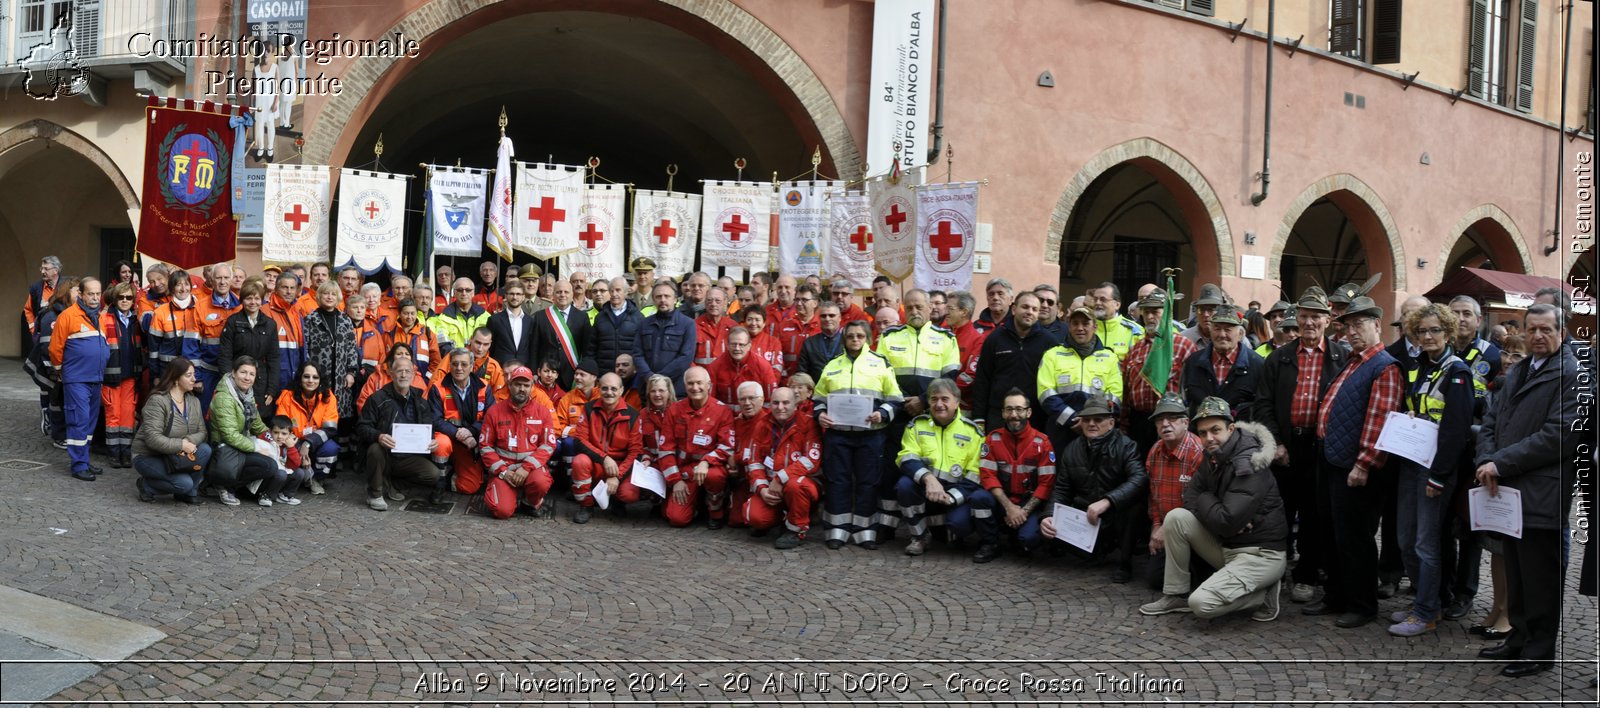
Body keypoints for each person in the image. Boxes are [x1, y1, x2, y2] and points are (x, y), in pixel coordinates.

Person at [1474, 303, 1583, 678]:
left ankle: (1540, 650)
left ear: (1562, 332)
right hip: (1508, 488)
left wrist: (1500, 462)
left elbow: (1559, 436)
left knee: (1540, 577)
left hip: (1542, 493)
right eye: (1532, 329)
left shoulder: (1571, 374)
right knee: (1518, 571)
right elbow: (1491, 418)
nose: (1538, 336)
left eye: (1546, 330)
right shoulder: (1520, 369)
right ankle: (1517, 638)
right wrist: (1486, 458)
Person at [1137, 397, 1286, 621]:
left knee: (1201, 604)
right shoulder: (1214, 456)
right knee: (1176, 517)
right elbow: (1189, 497)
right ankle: (1176, 594)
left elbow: (1226, 520)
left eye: (1215, 430)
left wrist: (1206, 496)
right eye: (1204, 432)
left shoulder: (1248, 462)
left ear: (1231, 428)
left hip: (1260, 554)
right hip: (1229, 547)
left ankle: (1262, 595)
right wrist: (1210, 503)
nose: (1209, 438)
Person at [1251, 286, 1349, 605]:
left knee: (1314, 514)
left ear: (1327, 321)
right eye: (1304, 316)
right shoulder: (1279, 358)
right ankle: (1272, 572)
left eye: (1316, 317)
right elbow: (1263, 403)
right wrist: (1276, 443)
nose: (1309, 323)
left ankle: (1305, 574)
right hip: (1286, 446)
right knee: (1278, 512)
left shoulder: (1341, 358)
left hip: (1321, 448)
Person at [1311, 295, 1403, 629]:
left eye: (1359, 324)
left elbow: (1381, 421)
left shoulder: (1385, 366)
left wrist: (1363, 464)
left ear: (1377, 325)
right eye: (1348, 325)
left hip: (1357, 467)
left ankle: (1362, 605)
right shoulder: (1354, 361)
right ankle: (1336, 596)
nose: (1352, 331)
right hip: (1334, 460)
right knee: (1333, 533)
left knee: (1356, 539)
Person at [1386, 303, 1475, 637]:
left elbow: (1455, 430)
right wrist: (1410, 417)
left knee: (1426, 543)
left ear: (1448, 332)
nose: (1427, 336)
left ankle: (1426, 612)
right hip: (1412, 462)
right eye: (1421, 331)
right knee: (1405, 539)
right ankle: (1425, 602)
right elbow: (1418, 407)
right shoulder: (1419, 366)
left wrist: (1438, 476)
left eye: (1434, 330)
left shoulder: (1458, 372)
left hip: (1436, 470)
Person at [814, 320, 904, 549]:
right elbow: (818, 399)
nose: (855, 340)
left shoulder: (880, 363)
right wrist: (820, 415)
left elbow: (895, 399)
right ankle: (838, 529)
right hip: (838, 434)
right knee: (837, 481)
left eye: (860, 336)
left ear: (868, 338)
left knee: (868, 482)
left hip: (871, 435)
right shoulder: (833, 365)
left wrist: (882, 414)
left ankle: (866, 530)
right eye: (851, 336)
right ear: (844, 339)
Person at [1041, 393, 1148, 583]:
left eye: (1098, 419)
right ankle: (1097, 549)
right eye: (1087, 419)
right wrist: (1048, 515)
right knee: (1044, 531)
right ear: (1080, 423)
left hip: (1116, 512)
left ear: (1111, 423)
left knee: (1135, 509)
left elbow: (1139, 479)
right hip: (1086, 515)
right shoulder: (1071, 449)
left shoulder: (1126, 446)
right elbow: (1062, 488)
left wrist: (1108, 501)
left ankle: (1125, 562)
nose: (1091, 424)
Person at [891, 378, 995, 558]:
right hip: (925, 488)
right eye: (934, 399)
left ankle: (949, 530)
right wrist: (929, 479)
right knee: (904, 486)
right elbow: (906, 458)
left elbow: (976, 474)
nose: (939, 404)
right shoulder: (916, 425)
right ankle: (919, 537)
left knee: (957, 527)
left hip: (955, 494)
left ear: (956, 402)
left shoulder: (972, 432)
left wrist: (951, 498)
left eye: (945, 399)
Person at [357, 353, 443, 512]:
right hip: (385, 454)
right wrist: (379, 436)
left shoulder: (421, 402)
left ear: (413, 374)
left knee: (433, 474)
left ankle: (392, 484)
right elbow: (362, 428)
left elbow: (427, 429)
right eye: (399, 371)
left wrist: (431, 442)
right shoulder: (377, 399)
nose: (403, 375)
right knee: (375, 449)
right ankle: (375, 494)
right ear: (391, 373)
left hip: (407, 458)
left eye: (407, 371)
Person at [976, 389, 1055, 559]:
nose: (1014, 414)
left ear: (1029, 412)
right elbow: (987, 477)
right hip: (1002, 501)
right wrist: (1009, 508)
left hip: (1028, 503)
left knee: (1029, 539)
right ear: (1003, 413)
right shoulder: (992, 439)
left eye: (1019, 409)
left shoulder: (1042, 442)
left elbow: (1046, 484)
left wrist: (1023, 512)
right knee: (978, 498)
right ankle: (990, 543)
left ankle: (1019, 538)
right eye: (1009, 409)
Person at [742, 387, 823, 548]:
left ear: (795, 405)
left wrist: (781, 477)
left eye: (786, 403)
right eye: (775, 403)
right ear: (769, 404)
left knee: (796, 486)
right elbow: (754, 462)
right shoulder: (762, 425)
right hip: (771, 486)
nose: (780, 407)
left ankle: (796, 530)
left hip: (801, 484)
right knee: (754, 517)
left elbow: (811, 460)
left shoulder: (807, 424)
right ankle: (779, 518)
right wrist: (762, 489)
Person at [1036, 306, 1124, 453]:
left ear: (1095, 327)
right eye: (1075, 323)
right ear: (1069, 327)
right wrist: (1073, 419)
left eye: (1085, 323)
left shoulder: (1110, 358)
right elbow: (1045, 393)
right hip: (1061, 429)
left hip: (1098, 432)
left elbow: (1114, 397)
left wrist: (1092, 421)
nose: (1080, 328)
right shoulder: (1052, 355)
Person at [1121, 289, 1197, 455]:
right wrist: (1124, 423)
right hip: (1139, 422)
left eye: (1155, 312)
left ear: (1167, 314)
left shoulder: (1184, 346)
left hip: (1171, 420)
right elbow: (1126, 390)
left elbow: (1192, 389)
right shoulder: (1135, 349)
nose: (1149, 317)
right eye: (1146, 312)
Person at [967, 291, 1057, 432]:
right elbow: (982, 379)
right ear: (1014, 309)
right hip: (999, 413)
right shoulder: (995, 339)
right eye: (1025, 307)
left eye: (1034, 309)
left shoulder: (1049, 342)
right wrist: (979, 416)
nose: (1029, 312)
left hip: (1034, 415)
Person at [659, 366, 736, 528]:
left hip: (711, 468)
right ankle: (697, 503)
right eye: (690, 383)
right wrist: (676, 481)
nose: (695, 388)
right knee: (676, 519)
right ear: (684, 385)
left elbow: (727, 446)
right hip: (685, 471)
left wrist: (706, 461)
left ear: (709, 385)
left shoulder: (722, 411)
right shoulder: (674, 411)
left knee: (714, 477)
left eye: (699, 383)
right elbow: (665, 450)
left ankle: (716, 511)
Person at [1141, 394, 1204, 590]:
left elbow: (1200, 504)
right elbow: (1154, 496)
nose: (1165, 424)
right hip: (1165, 528)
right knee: (1154, 580)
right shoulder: (1155, 451)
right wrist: (1156, 526)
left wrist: (1166, 530)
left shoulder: (1197, 452)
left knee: (1201, 581)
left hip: (1196, 528)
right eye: (1160, 419)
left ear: (1186, 423)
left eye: (1172, 418)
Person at [50, 276, 109, 482]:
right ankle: (78, 465)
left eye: (97, 294)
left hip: (95, 378)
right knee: (79, 420)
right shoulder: (68, 316)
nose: (94, 298)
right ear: (81, 295)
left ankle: (84, 459)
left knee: (90, 423)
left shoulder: (99, 317)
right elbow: (55, 348)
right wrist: (61, 371)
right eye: (90, 294)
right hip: (76, 379)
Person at [208, 356, 286, 507]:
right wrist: (257, 447)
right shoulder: (224, 398)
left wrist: (273, 440)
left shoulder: (247, 395)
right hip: (225, 448)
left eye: (252, 374)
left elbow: (257, 425)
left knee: (273, 462)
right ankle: (223, 484)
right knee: (268, 466)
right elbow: (230, 436)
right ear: (234, 373)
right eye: (243, 372)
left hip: (241, 445)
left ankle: (236, 485)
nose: (247, 378)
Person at [131, 357, 210, 504]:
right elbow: (153, 439)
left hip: (175, 454)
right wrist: (181, 445)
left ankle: (188, 494)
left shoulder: (194, 401)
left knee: (205, 449)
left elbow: (202, 432)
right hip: (149, 455)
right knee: (183, 483)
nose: (194, 379)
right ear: (175, 378)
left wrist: (188, 441)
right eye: (188, 375)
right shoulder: (158, 401)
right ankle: (147, 486)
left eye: (194, 374)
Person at [569, 372, 645, 523]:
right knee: (580, 461)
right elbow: (579, 440)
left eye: (613, 388)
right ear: (599, 388)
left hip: (619, 466)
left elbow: (636, 452)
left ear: (621, 390)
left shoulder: (633, 415)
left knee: (630, 494)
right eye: (604, 388)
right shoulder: (589, 408)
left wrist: (617, 476)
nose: (609, 392)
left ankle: (617, 500)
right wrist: (604, 458)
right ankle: (586, 505)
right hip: (596, 462)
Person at [428, 348, 493, 496]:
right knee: (441, 444)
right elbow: (434, 420)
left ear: (472, 366)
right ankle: (440, 480)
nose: (459, 368)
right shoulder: (438, 388)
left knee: (469, 487)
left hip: (471, 442)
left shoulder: (484, 387)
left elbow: (490, 418)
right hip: (448, 437)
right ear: (449, 365)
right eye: (455, 364)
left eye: (464, 364)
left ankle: (451, 474)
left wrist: (471, 431)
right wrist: (458, 432)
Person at [1181, 306, 1262, 421]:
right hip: (1201, 433)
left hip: (1240, 435)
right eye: (1217, 328)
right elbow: (1186, 401)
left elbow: (1261, 408)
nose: (1222, 334)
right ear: (1210, 331)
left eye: (1228, 329)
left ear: (1240, 334)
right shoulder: (1193, 362)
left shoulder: (1257, 365)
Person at [275, 361, 340, 495]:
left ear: (320, 380)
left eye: (315, 377)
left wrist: (308, 443)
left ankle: (316, 479)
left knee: (331, 448)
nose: (311, 380)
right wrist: (296, 447)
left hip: (315, 442)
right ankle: (301, 477)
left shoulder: (329, 398)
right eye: (306, 376)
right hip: (293, 441)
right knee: (285, 448)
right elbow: (280, 426)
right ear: (300, 378)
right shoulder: (287, 397)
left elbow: (330, 429)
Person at [219, 278, 281, 413]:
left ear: (262, 300)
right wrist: (229, 384)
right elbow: (225, 356)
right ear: (242, 300)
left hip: (260, 380)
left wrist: (272, 389)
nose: (253, 302)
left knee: (259, 418)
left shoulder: (270, 324)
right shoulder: (233, 322)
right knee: (236, 415)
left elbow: (274, 358)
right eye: (248, 298)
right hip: (237, 379)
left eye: (257, 298)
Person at [27, 278, 76, 447]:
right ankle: (59, 436)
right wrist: (55, 371)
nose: (80, 294)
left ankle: (59, 430)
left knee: (60, 401)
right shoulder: (52, 315)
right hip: (55, 369)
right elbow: (47, 346)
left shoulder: (68, 312)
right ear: (67, 293)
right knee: (57, 401)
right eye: (77, 290)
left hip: (64, 368)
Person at [302, 282, 361, 421]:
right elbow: (306, 349)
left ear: (338, 297)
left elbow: (352, 348)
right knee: (318, 412)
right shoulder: (310, 319)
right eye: (326, 293)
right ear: (319, 296)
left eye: (333, 294)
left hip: (341, 377)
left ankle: (339, 441)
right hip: (318, 376)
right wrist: (310, 373)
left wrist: (351, 372)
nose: (329, 297)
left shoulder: (345, 319)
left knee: (339, 415)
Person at [100, 282, 144, 469]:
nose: (125, 301)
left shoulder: (136, 320)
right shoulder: (105, 318)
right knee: (113, 415)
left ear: (133, 300)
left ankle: (125, 453)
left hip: (131, 376)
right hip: (111, 377)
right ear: (115, 299)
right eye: (121, 297)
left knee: (127, 416)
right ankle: (113, 454)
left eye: (129, 297)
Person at [632, 281, 697, 396]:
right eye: (658, 296)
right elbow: (637, 354)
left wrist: (660, 378)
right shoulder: (644, 324)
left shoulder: (687, 324)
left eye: (667, 296)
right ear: (653, 299)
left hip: (675, 389)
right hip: (648, 388)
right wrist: (649, 376)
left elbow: (686, 356)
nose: (662, 300)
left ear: (675, 299)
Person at [193, 264, 242, 405]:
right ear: (211, 280)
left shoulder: (241, 306)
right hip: (208, 373)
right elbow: (191, 345)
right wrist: (197, 377)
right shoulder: (200, 307)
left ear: (231, 279)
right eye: (218, 278)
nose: (222, 282)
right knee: (206, 418)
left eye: (226, 277)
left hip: (235, 375)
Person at [531, 279, 594, 389]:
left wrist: (585, 371)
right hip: (547, 373)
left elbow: (587, 348)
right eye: (559, 292)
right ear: (553, 295)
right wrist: (534, 372)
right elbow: (534, 347)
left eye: (566, 292)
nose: (562, 295)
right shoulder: (540, 316)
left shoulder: (582, 317)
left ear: (572, 294)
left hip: (572, 373)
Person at [146, 271, 199, 389]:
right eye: (178, 284)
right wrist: (155, 376)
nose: (183, 288)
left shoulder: (199, 309)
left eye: (186, 284)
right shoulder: (160, 312)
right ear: (172, 288)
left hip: (192, 371)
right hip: (167, 370)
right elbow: (153, 348)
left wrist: (199, 377)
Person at [708, 326, 777, 403]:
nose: (737, 348)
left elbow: (771, 401)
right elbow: (710, 400)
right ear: (727, 345)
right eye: (733, 344)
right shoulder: (715, 366)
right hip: (724, 414)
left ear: (749, 346)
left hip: (755, 414)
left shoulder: (762, 366)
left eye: (741, 345)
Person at [266, 271, 309, 391]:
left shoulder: (296, 312)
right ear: (276, 288)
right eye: (285, 287)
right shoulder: (265, 312)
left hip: (294, 376)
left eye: (292, 288)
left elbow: (301, 347)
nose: (289, 292)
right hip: (273, 377)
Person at [591, 276, 644, 374]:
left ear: (626, 292)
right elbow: (591, 348)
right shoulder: (600, 317)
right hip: (604, 373)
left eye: (618, 290)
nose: (614, 294)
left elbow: (641, 348)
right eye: (611, 291)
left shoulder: (638, 317)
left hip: (629, 374)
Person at [433, 278, 491, 355]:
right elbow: (443, 345)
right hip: (454, 362)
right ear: (454, 293)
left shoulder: (486, 316)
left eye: (468, 290)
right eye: (460, 290)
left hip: (481, 361)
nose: (464, 293)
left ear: (473, 292)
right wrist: (461, 358)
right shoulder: (443, 318)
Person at [487, 280, 536, 369]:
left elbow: (533, 349)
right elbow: (490, 347)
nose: (515, 297)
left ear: (523, 297)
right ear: (506, 296)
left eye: (518, 294)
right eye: (511, 294)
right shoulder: (494, 320)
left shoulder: (530, 321)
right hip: (500, 370)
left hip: (523, 370)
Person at [1088, 282, 1144, 360]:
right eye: (1095, 299)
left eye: (1103, 299)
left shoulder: (1135, 331)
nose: (1097, 303)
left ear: (1117, 305)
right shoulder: (1086, 329)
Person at [263, 415, 310, 505]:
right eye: (276, 432)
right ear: (270, 431)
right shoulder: (265, 440)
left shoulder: (289, 444)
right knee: (281, 473)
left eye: (284, 434)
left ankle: (285, 495)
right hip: (265, 478)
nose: (279, 436)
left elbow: (295, 464)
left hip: (279, 477)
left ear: (290, 434)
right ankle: (266, 495)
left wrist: (291, 448)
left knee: (300, 472)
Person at [776, 284, 821, 375]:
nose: (799, 303)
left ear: (815, 303)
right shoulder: (783, 326)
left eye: (804, 300)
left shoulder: (822, 327)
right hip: (788, 380)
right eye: (797, 300)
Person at [797, 301, 844, 384]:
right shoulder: (809, 343)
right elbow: (802, 372)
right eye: (823, 316)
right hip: (816, 392)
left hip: (842, 391)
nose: (827, 319)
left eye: (831, 315)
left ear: (840, 318)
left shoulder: (848, 342)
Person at [694, 286, 736, 367]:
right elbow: (688, 357)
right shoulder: (693, 326)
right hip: (702, 377)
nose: (713, 304)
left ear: (725, 303)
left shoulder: (733, 327)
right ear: (705, 303)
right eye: (709, 300)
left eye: (718, 301)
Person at [23, 255, 61, 337]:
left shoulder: (66, 285)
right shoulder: (36, 288)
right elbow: (28, 309)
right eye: (41, 268)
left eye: (46, 269)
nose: (42, 272)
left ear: (56, 270)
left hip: (62, 334)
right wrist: (33, 328)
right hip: (42, 336)